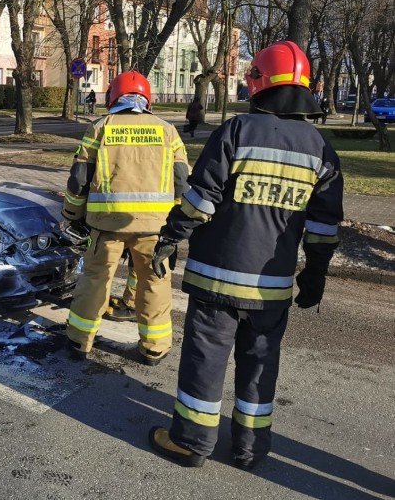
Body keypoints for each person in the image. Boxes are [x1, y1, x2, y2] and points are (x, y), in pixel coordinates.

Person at [147, 40, 343, 470]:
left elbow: (201, 201)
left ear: (259, 83)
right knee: (260, 364)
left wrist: (169, 237)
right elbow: (324, 225)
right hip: (271, 289)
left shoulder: (236, 131)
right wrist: (316, 274)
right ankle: (250, 448)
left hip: (216, 278)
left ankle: (192, 442)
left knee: (205, 357)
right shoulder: (321, 149)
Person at [62, 71, 189, 365]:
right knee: (155, 282)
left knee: (95, 279)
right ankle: (154, 348)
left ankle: (80, 341)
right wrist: (177, 224)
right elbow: (182, 181)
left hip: (106, 225)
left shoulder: (100, 127)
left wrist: (73, 215)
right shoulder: (167, 130)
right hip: (155, 228)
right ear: (148, 99)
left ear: (113, 98)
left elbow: (79, 180)